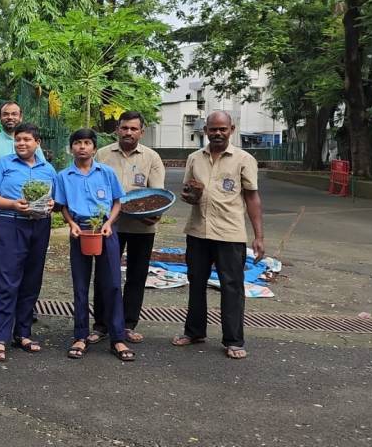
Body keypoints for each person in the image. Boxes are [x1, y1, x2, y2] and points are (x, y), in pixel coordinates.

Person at [174, 111, 264, 360]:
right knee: (196, 283)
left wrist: (259, 236)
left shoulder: (244, 159)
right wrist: (189, 195)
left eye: (222, 129)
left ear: (231, 130)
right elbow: (188, 188)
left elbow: (252, 197)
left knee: (232, 287)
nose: (217, 133)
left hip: (230, 234)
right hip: (198, 232)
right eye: (213, 129)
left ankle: (233, 340)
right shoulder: (194, 158)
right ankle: (194, 332)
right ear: (205, 131)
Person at [55, 128, 134, 362]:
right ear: (71, 148)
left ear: (94, 148)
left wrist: (109, 223)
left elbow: (117, 202)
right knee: (80, 285)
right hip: (79, 230)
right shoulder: (63, 176)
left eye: (87, 143)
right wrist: (71, 224)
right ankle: (80, 336)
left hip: (105, 229)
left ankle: (117, 338)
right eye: (77, 143)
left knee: (112, 284)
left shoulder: (106, 172)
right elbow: (63, 206)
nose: (82, 147)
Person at [0, 123, 55, 362]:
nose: (21, 143)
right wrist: (12, 204)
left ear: (37, 143)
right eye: (18, 139)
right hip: (10, 224)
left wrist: (52, 204)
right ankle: (0, 338)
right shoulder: (2, 165)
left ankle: (23, 333)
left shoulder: (48, 169)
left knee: (32, 280)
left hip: (39, 226)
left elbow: (55, 199)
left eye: (27, 140)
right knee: (6, 280)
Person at [90, 111, 166, 345]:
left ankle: (127, 324)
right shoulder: (102, 155)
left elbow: (157, 193)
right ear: (117, 130)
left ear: (141, 132)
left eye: (133, 129)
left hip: (142, 227)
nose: (128, 132)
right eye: (124, 128)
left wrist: (154, 214)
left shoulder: (151, 158)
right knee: (105, 275)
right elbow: (92, 186)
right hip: (109, 226)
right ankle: (101, 325)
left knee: (136, 275)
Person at [0, 102, 44, 322]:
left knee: (28, 264)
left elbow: (41, 173)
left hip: (31, 216)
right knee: (0, 265)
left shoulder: (32, 142)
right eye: (5, 114)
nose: (10, 117)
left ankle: (25, 308)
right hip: (0, 216)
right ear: (0, 118)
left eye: (14, 114)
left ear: (21, 116)